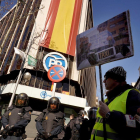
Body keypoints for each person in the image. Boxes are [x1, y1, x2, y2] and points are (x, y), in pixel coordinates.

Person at [91, 66, 140, 140]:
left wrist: (109, 115)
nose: (104, 81)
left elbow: (136, 125)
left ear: (116, 78)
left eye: (106, 78)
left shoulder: (132, 94)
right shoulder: (108, 100)